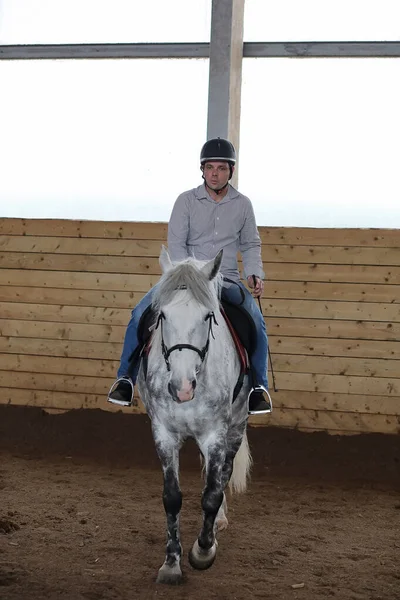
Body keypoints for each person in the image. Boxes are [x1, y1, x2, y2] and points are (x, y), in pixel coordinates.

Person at [108, 137, 272, 415]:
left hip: (226, 279)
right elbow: (177, 245)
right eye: (210, 168)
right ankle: (125, 378)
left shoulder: (243, 205)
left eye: (221, 168)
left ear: (230, 171)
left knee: (256, 321)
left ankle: (258, 386)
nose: (215, 173)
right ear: (202, 170)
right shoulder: (185, 201)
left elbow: (250, 244)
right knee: (139, 314)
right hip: (184, 279)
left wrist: (255, 272)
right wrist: (187, 279)